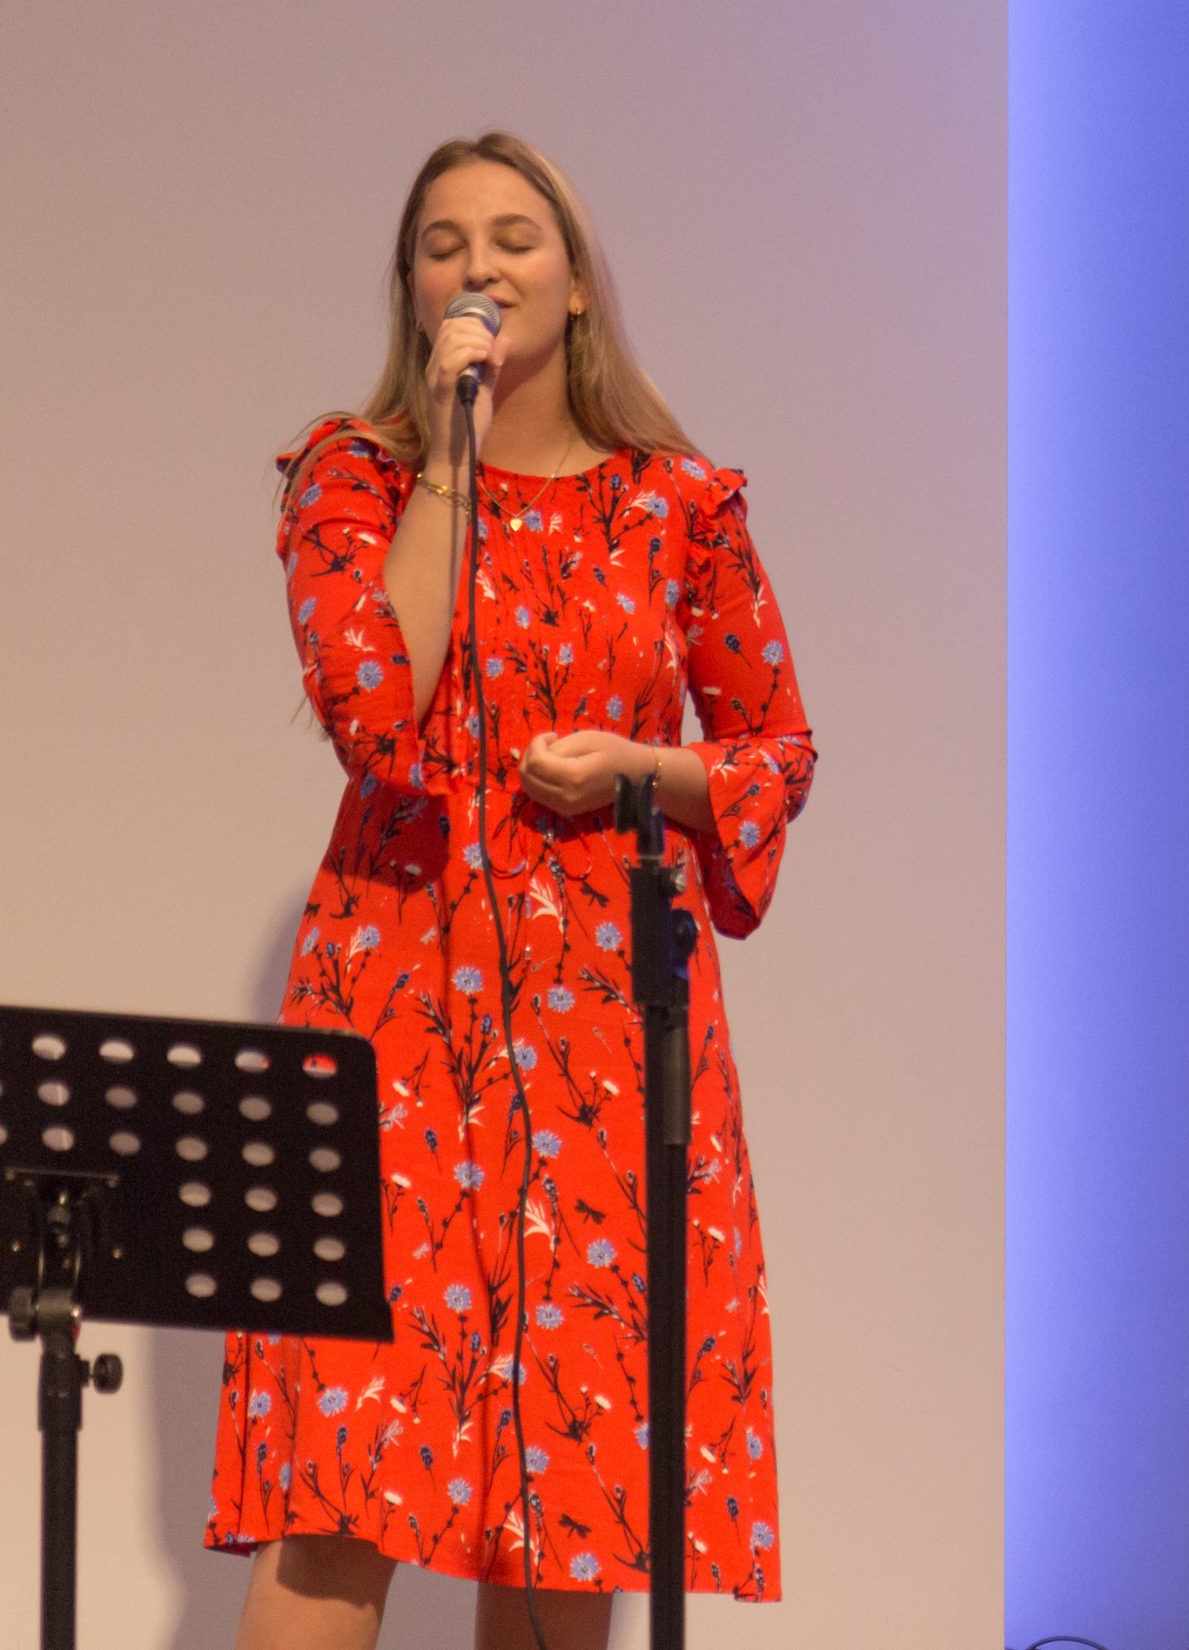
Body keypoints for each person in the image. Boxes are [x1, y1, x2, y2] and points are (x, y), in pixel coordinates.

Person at [207, 132, 815, 1650]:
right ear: (414, 294)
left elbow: (773, 751)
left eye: (514, 237)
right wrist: (450, 460)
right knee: (343, 1477)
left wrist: (643, 769)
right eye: (444, 245)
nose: (480, 266)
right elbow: (377, 712)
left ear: (578, 283)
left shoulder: (679, 505)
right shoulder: (352, 480)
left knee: (569, 1492)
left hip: (604, 1028)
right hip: (395, 1020)